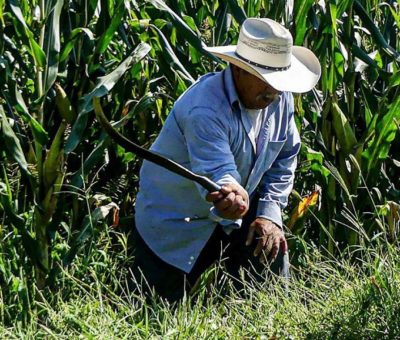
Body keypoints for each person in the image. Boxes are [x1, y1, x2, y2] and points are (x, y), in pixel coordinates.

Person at [132, 18, 321, 301]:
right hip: (176, 223)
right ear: (238, 69)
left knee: (270, 247)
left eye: (280, 81)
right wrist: (231, 192)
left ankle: (276, 315)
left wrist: (268, 213)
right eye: (267, 80)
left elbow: (284, 157)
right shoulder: (204, 108)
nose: (274, 91)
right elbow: (217, 169)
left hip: (238, 214)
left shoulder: (279, 99)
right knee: (160, 314)